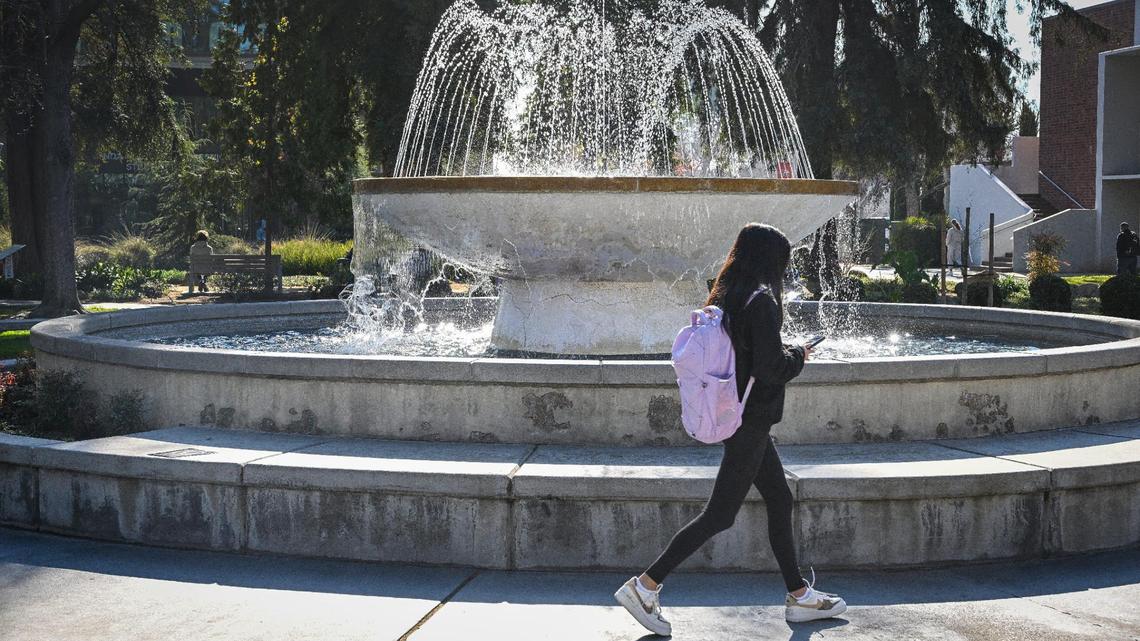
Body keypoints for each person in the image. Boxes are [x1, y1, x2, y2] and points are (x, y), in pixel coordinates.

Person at [613, 224, 846, 637]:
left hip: (733, 413)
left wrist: (779, 350)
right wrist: (800, 354)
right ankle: (644, 585)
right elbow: (771, 369)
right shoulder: (763, 302)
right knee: (720, 514)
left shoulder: (727, 294)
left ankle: (799, 595)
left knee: (779, 496)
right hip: (749, 422)